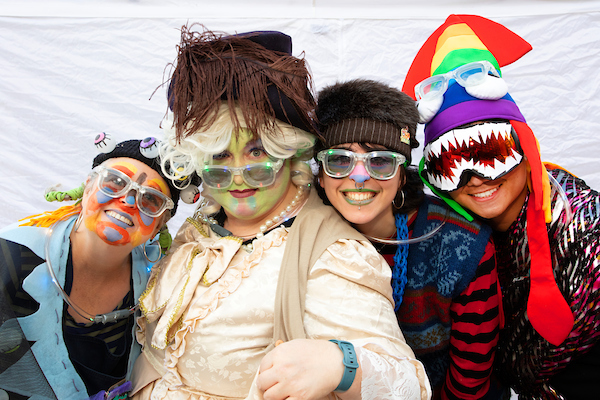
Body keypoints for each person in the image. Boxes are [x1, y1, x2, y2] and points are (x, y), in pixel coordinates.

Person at [130, 26, 431, 400]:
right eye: (220, 154)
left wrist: (341, 365)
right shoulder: (205, 222)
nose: (238, 173)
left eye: (257, 151)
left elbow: (408, 386)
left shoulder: (329, 255)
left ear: (291, 154)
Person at [402, 14, 600, 399]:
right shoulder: (455, 241)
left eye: (491, 153)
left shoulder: (585, 228)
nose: (475, 178)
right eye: (450, 165)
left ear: (525, 149)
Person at [314, 79, 505, 400]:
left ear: (402, 174)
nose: (359, 177)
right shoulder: (298, 238)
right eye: (339, 160)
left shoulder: (462, 243)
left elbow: (471, 374)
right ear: (320, 175)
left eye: (380, 161)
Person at [0, 135, 197, 399]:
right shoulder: (12, 256)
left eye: (151, 199)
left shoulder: (159, 282)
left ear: (160, 225)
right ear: (87, 187)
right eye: (116, 182)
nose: (128, 201)